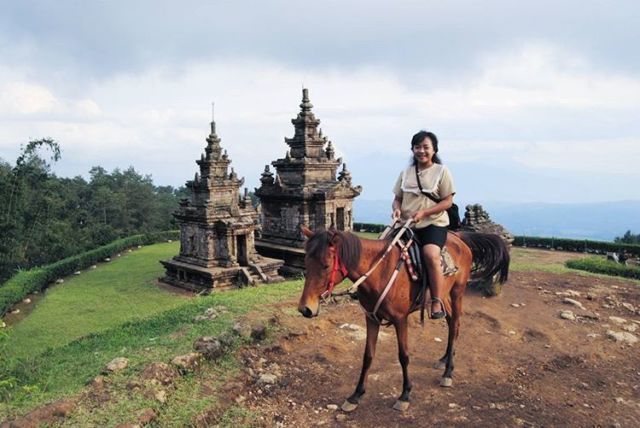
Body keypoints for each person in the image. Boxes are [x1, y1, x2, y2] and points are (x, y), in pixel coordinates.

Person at [392, 131, 456, 319]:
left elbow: (447, 202)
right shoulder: (405, 173)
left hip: (432, 224)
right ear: (412, 149)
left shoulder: (441, 171)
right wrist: (396, 209)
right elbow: (397, 198)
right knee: (381, 246)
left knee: (430, 254)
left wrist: (425, 213)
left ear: (434, 150)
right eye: (417, 147)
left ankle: (436, 300)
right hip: (406, 224)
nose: (421, 151)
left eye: (425, 147)